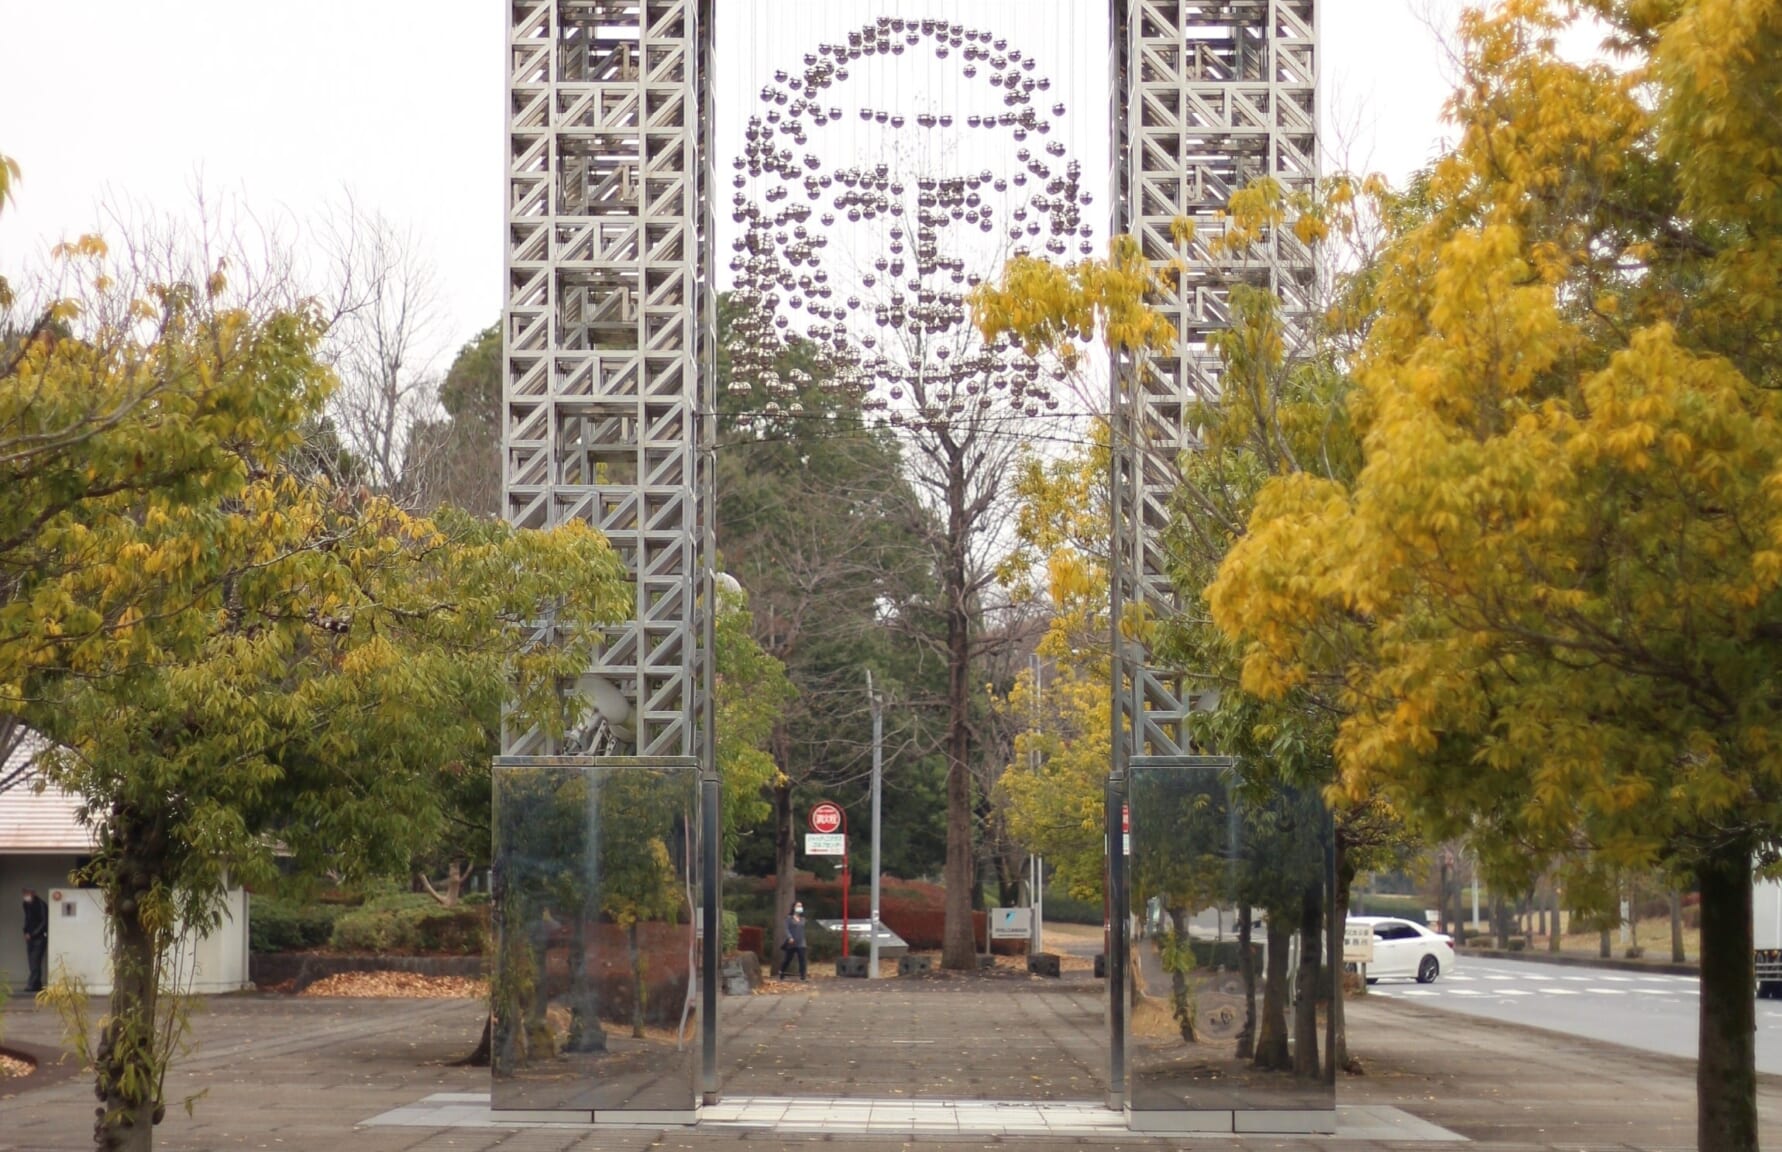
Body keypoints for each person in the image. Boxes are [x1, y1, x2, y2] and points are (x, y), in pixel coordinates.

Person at [21, 887, 48, 994]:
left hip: (39, 937)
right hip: (30, 937)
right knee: (32, 961)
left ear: (33, 893)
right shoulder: (26, 904)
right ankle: (36, 984)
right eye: (24, 894)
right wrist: (25, 932)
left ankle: (32, 984)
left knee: (35, 961)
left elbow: (44, 921)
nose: (25, 896)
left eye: (27, 893)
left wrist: (32, 934)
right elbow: (27, 919)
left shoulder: (40, 905)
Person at [777, 900, 808, 981]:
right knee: (788, 959)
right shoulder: (789, 918)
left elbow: (802, 930)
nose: (800, 907)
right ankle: (782, 972)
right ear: (794, 907)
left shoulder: (803, 919)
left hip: (801, 942)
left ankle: (803, 976)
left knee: (802, 959)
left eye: (801, 906)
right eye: (798, 906)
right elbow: (786, 929)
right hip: (791, 942)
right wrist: (790, 937)